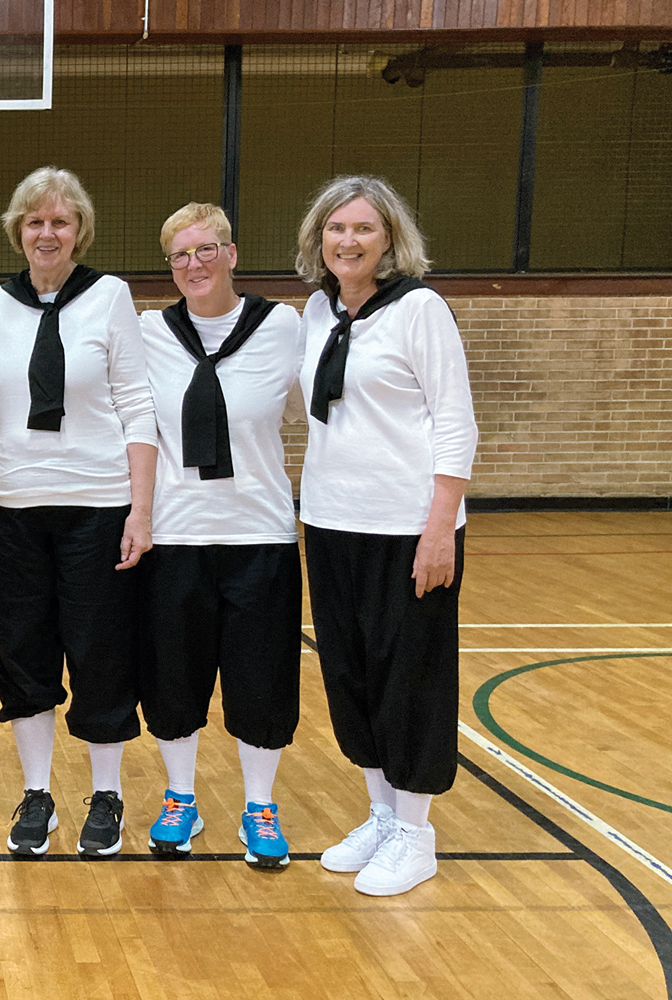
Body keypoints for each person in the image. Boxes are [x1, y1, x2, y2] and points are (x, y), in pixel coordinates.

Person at [295, 175, 477, 896]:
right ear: (319, 239)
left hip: (408, 527)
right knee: (353, 674)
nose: (348, 241)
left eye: (363, 229)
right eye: (336, 229)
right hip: (332, 521)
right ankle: (380, 812)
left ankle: (416, 831)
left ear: (389, 238)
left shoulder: (420, 310)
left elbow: (455, 423)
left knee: (413, 678)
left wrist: (440, 529)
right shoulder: (317, 311)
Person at [0, 166, 157, 857]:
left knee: (99, 651)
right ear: (18, 231)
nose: (46, 233)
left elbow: (138, 404)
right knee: (24, 654)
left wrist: (141, 508)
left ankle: (105, 793)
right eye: (34, 221)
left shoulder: (109, 296)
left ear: (79, 230)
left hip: (97, 505)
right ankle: (38, 793)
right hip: (12, 505)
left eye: (60, 221)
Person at [137, 203, 303, 869]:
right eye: (180, 255)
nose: (194, 265)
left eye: (206, 249)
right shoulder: (150, 331)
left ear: (232, 254)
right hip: (176, 535)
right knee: (173, 680)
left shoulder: (282, 326)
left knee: (261, 682)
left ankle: (259, 805)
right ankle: (181, 798)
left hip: (260, 533)